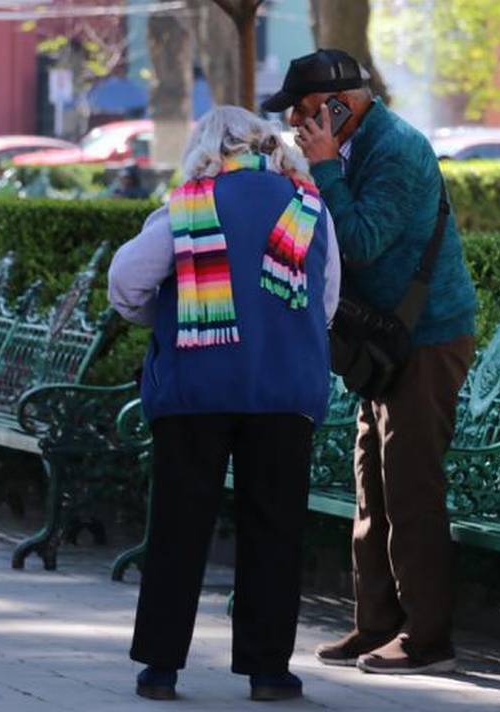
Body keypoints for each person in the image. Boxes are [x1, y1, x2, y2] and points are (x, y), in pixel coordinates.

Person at [108, 106, 341, 702]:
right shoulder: (309, 206)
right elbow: (326, 300)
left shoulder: (188, 205)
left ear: (208, 147)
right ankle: (268, 672)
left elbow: (126, 283)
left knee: (178, 527)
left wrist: (171, 315)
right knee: (275, 530)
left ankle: (160, 667)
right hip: (284, 391)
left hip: (196, 388)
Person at [263, 49, 477, 675]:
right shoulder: (352, 145)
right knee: (372, 484)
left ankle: (427, 637)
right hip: (383, 341)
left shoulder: (396, 150)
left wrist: (324, 167)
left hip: (427, 338)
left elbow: (360, 241)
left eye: (304, 109)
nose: (296, 122)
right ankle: (377, 623)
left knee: (410, 486)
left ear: (340, 105)